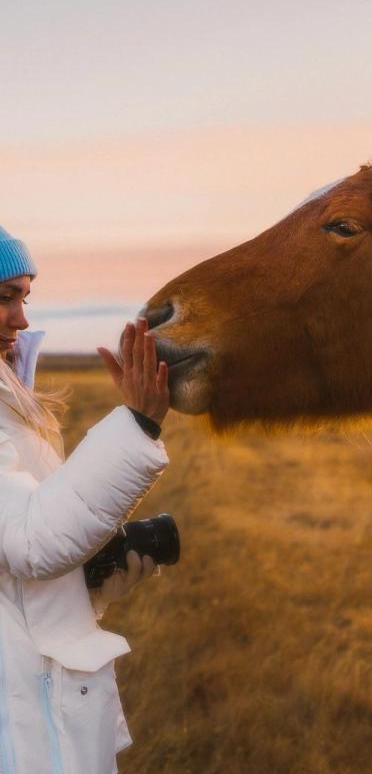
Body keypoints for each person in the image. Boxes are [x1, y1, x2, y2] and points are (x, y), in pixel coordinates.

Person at [0, 225, 170, 774]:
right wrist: (138, 424)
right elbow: (29, 540)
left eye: (25, 297)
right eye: (5, 297)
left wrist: (92, 572)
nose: (22, 319)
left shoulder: (11, 399)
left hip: (35, 692)